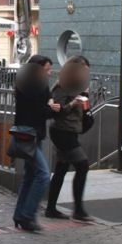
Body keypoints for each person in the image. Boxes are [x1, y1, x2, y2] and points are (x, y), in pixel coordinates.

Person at [13, 55, 59, 232]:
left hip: (29, 134)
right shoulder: (33, 87)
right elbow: (41, 110)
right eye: (46, 70)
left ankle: (19, 215)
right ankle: (27, 215)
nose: (48, 73)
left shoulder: (26, 84)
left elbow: (47, 100)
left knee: (30, 175)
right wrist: (53, 109)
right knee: (42, 174)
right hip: (29, 135)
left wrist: (49, 105)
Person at [47, 56, 93, 222]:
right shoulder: (61, 86)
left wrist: (84, 102)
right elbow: (56, 112)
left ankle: (51, 208)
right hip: (61, 132)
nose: (85, 76)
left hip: (71, 131)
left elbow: (81, 112)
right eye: (83, 72)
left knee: (61, 169)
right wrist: (73, 104)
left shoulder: (79, 86)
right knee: (82, 164)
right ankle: (78, 210)